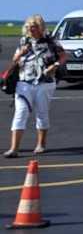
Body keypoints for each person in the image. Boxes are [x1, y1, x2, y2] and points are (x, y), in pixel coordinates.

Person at [6, 15, 64, 158]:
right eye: (28, 27)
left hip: (44, 83)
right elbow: (15, 60)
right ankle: (14, 148)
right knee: (20, 113)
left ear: (40, 27)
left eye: (34, 27)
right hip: (24, 82)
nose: (31, 30)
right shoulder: (24, 41)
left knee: (42, 113)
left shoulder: (51, 41)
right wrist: (21, 52)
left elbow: (63, 56)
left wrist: (55, 66)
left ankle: (41, 144)